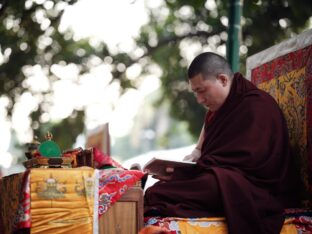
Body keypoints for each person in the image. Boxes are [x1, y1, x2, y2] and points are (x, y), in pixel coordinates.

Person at [144, 52, 299, 234]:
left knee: (174, 191)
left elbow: (246, 162)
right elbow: (211, 142)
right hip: (225, 178)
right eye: (195, 93)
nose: (200, 100)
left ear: (223, 80)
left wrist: (189, 173)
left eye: (202, 91)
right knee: (159, 190)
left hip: (256, 189)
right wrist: (195, 155)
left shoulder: (258, 106)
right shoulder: (220, 108)